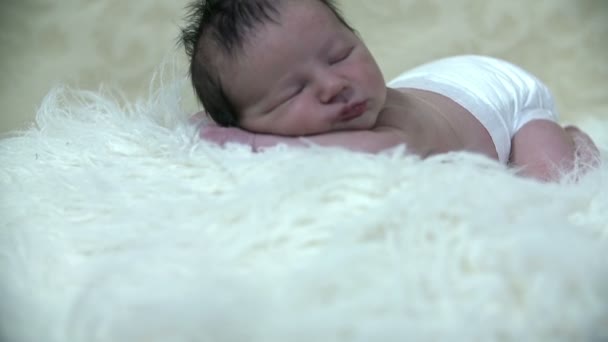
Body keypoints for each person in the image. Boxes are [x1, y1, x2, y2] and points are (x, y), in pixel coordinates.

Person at [179, 0, 599, 181]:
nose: (334, 85)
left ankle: (573, 139)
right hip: (441, 89)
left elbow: (371, 152)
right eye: (293, 92)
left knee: (554, 183)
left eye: (340, 55)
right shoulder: (345, 105)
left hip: (499, 94)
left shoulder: (391, 130)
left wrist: (244, 140)